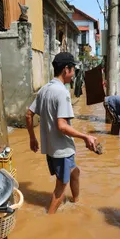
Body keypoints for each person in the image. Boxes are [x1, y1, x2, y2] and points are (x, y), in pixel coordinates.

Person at [26, 52, 98, 214]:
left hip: (51, 149)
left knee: (75, 172)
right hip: (62, 151)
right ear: (66, 70)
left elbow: (28, 115)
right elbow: (62, 126)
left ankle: (76, 202)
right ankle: (49, 219)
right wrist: (85, 136)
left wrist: (33, 138)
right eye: (73, 71)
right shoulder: (62, 92)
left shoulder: (44, 89)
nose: (74, 75)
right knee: (60, 189)